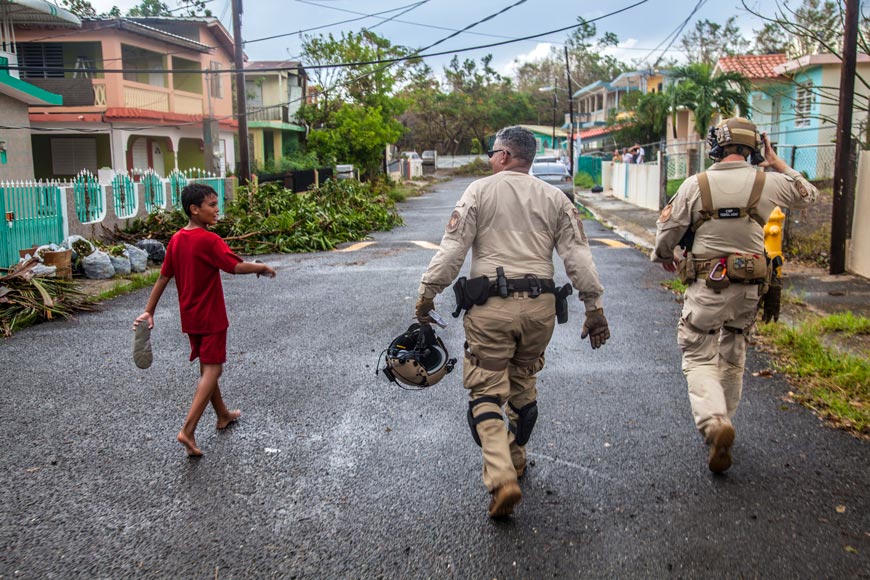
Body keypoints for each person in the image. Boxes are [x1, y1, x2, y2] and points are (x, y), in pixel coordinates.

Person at [415, 126, 609, 518]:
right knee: (523, 383)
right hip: (541, 311)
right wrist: (594, 308)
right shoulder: (556, 198)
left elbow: (452, 252)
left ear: (504, 155)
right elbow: (578, 258)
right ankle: (517, 459)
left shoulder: (480, 191)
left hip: (491, 310)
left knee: (485, 392)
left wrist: (426, 295)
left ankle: (502, 476)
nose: (490, 158)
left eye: (492, 152)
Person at [651, 117, 818, 474]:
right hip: (750, 289)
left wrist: (665, 255)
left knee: (697, 352)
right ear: (754, 148)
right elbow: (810, 195)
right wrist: (778, 164)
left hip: (707, 285)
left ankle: (714, 423)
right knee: (733, 350)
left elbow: (667, 232)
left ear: (716, 146)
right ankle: (724, 419)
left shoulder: (696, 185)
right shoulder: (770, 183)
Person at [133, 183, 276, 457]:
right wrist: (260, 266)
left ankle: (222, 414)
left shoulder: (176, 240)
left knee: (206, 368)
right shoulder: (209, 240)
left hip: (190, 318)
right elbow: (234, 266)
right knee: (214, 370)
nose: (217, 209)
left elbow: (164, 277)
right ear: (194, 209)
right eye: (211, 205)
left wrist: (149, 310)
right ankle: (188, 430)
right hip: (211, 317)